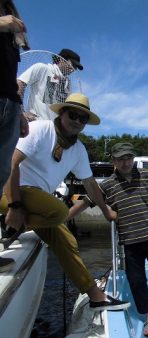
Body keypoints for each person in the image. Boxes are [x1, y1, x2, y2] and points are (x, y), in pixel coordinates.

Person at [0, 92, 130, 311]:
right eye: (73, 115)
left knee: (67, 242)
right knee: (59, 212)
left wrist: (107, 213)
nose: (78, 121)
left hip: (39, 201)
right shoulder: (41, 129)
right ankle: (9, 223)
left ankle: (96, 297)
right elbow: (11, 165)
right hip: (12, 192)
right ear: (61, 113)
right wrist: (14, 206)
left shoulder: (79, 150)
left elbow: (90, 185)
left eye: (83, 118)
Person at [67, 142, 148, 338]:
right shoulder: (108, 185)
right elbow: (87, 201)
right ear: (114, 161)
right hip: (130, 244)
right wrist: (63, 219)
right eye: (120, 159)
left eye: (128, 157)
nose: (125, 162)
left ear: (133, 157)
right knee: (137, 283)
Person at [0, 0, 29, 272]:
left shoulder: (11, 14)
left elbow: (12, 76)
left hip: (9, 104)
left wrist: (19, 112)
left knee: (0, 174)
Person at [17, 48, 83, 121]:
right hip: (36, 123)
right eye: (73, 65)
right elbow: (20, 83)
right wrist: (21, 111)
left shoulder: (67, 83)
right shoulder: (43, 68)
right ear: (62, 60)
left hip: (54, 129)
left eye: (76, 67)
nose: (74, 69)